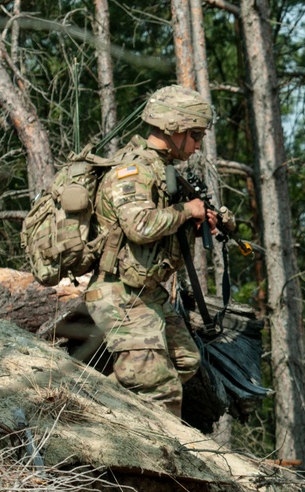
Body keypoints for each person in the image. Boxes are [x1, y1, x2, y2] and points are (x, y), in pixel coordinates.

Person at [84, 84, 219, 419]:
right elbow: (140, 226)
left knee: (186, 361)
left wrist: (198, 218)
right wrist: (188, 212)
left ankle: (92, 405)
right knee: (162, 391)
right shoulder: (134, 170)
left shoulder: (161, 168)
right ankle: (157, 464)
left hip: (146, 291)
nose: (199, 144)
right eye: (195, 134)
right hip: (119, 292)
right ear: (173, 128)